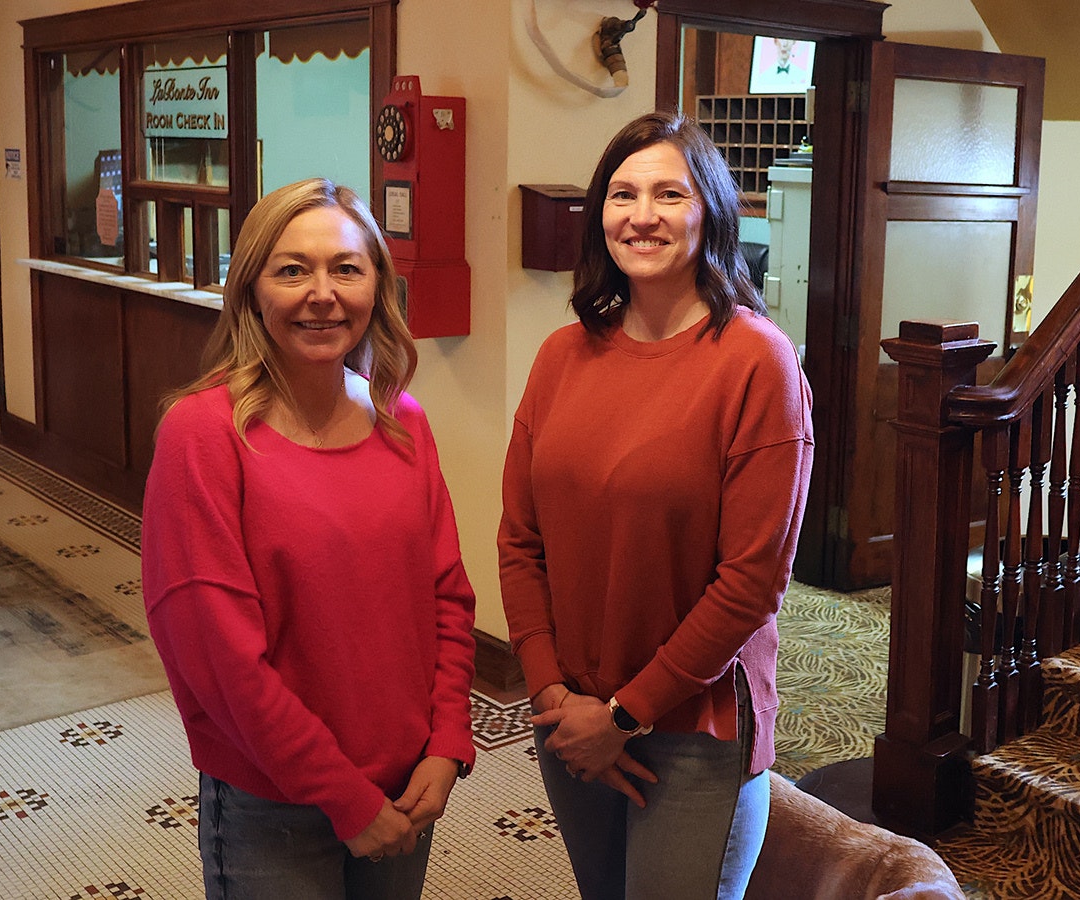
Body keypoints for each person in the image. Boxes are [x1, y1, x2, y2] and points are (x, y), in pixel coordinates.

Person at [498, 111, 814, 899]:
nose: (641, 215)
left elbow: (750, 583)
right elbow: (519, 541)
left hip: (690, 723)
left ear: (710, 210)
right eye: (622, 193)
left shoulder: (755, 363)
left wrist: (625, 716)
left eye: (668, 193)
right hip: (567, 712)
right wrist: (549, 693)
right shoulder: (562, 354)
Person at [141, 177, 476, 900]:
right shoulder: (203, 435)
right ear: (252, 290)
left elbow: (448, 597)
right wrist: (343, 798)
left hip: (406, 784)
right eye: (291, 269)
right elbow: (220, 660)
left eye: (346, 269)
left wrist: (447, 744)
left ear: (376, 287)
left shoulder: (403, 422)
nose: (321, 294)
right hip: (274, 803)